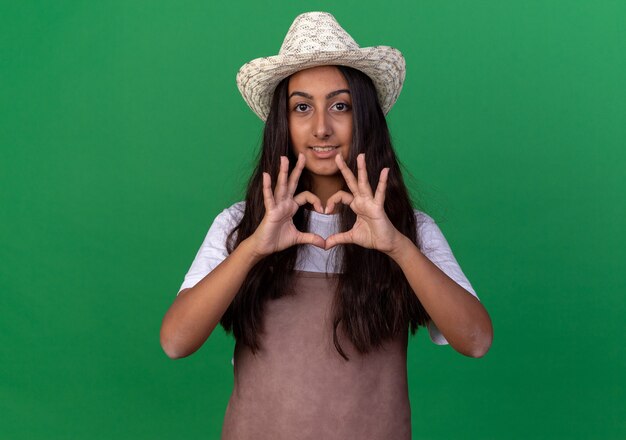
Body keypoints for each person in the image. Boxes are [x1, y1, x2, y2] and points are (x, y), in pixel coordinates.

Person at [160, 11, 493, 439]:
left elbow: (476, 340)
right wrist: (254, 248)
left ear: (365, 118)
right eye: (302, 108)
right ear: (283, 122)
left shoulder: (409, 229)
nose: (321, 127)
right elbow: (175, 342)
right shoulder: (241, 225)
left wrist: (396, 246)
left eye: (340, 106)